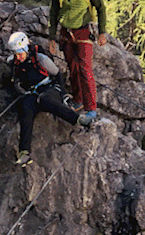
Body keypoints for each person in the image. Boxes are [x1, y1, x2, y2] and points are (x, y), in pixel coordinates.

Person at [8, 31, 94, 166]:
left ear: (25, 49)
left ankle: (77, 119)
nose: (18, 57)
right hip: (33, 92)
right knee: (25, 106)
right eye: (15, 54)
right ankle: (24, 152)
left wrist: (64, 95)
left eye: (20, 53)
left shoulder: (40, 59)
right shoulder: (14, 63)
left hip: (50, 87)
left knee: (45, 100)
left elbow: (57, 74)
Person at [48, 0, 107, 121]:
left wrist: (102, 32)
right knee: (72, 68)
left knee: (85, 70)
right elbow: (53, 12)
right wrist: (51, 37)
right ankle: (78, 100)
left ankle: (91, 108)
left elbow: (101, 8)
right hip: (66, 34)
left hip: (83, 32)